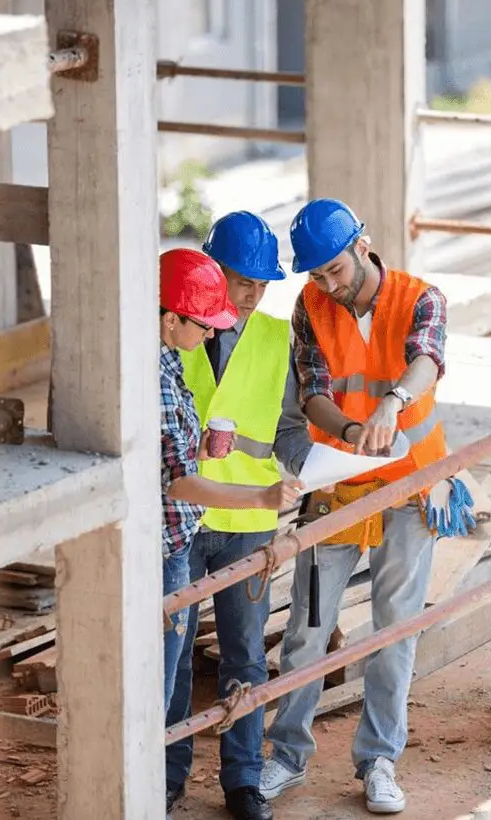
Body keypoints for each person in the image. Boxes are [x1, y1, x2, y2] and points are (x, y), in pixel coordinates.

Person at [259, 198, 471, 815]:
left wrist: (391, 404)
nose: (329, 284)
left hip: (411, 489)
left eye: (336, 270)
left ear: (364, 245)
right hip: (337, 492)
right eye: (317, 275)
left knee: (393, 630)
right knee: (308, 629)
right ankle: (286, 757)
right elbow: (314, 391)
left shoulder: (420, 297)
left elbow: (428, 359)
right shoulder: (311, 307)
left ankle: (379, 760)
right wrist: (351, 438)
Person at [164, 215, 312, 820]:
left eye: (262, 284)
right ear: (212, 267)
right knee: (170, 657)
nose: (252, 294)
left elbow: (290, 424)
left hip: (248, 518)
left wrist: (299, 472)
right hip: (185, 516)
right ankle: (167, 776)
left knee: (246, 654)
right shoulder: (179, 330)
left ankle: (242, 781)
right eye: (242, 280)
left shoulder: (277, 337)